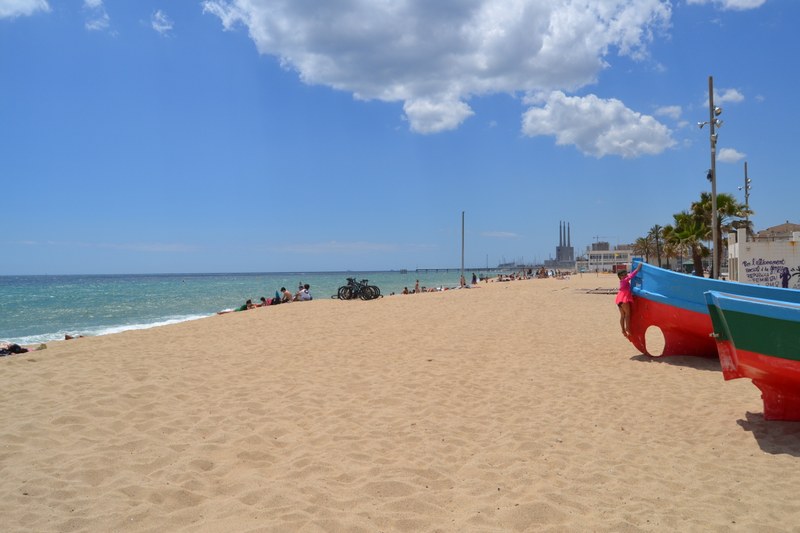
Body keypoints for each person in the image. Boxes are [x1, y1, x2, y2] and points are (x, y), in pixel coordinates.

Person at [616, 263, 642, 337]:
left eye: (626, 274)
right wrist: (638, 269)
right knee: (627, 315)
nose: (626, 275)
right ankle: (627, 328)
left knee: (622, 316)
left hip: (619, 299)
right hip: (624, 299)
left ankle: (623, 330)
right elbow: (631, 275)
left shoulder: (622, 281)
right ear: (620, 277)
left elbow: (629, 275)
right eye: (624, 275)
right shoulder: (624, 280)